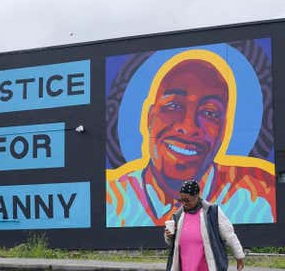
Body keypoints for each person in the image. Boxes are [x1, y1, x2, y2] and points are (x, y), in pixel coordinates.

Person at [106, 50, 276, 227]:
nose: (188, 128)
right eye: (173, 105)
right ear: (149, 118)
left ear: (225, 129)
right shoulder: (111, 198)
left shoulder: (259, 195)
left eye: (209, 112)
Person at [164, 179, 245, 271]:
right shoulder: (179, 214)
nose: (184, 203)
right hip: (188, 268)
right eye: (182, 199)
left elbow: (229, 234)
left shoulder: (211, 212)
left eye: (187, 199)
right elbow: (172, 243)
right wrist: (169, 235)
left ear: (197, 196)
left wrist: (239, 256)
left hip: (206, 267)